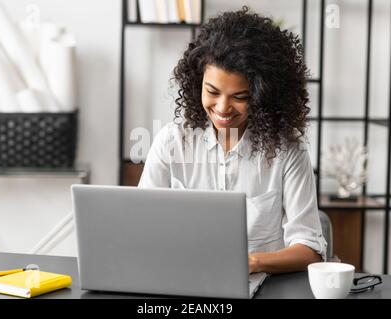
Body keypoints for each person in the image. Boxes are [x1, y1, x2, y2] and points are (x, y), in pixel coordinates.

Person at [138, 6, 327, 274]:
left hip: (261, 285)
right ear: (197, 83)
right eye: (212, 91)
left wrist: (251, 263)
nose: (223, 108)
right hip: (181, 279)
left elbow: (310, 250)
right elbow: (140, 227)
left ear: (263, 96)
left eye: (240, 97)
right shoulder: (172, 141)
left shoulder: (287, 151)